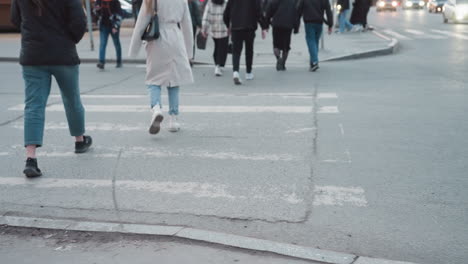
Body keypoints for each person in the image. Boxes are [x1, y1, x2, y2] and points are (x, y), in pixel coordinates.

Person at [10, 0, 93, 178]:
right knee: (72, 99)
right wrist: (68, 39)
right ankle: (79, 141)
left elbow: (15, 19)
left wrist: (32, 32)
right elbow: (79, 22)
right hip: (63, 54)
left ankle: (31, 158)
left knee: (34, 105)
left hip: (33, 55)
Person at [129, 0, 193, 134]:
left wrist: (134, 49)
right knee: (174, 80)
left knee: (154, 79)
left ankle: (156, 108)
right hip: (176, 37)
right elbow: (187, 24)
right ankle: (173, 120)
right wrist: (189, 51)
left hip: (157, 39)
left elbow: (141, 23)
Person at [224, 0, 268, 85]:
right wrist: (263, 27)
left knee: (236, 51)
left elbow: (226, 13)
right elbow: (258, 11)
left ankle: (236, 72)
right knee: (249, 50)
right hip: (250, 27)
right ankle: (248, 72)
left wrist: (228, 25)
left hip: (236, 27)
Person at [297, 0, 333, 72]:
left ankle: (314, 62)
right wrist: (330, 24)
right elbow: (328, 11)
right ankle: (312, 63)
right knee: (315, 42)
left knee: (311, 41)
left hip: (309, 22)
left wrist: (296, 24)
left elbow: (299, 10)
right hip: (319, 22)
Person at [265, 0, 300, 71]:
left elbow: (268, 13)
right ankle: (283, 63)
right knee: (286, 46)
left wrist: (266, 24)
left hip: (276, 25)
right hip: (288, 26)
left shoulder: (273, 1)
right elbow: (296, 15)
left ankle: (278, 58)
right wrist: (296, 28)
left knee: (276, 45)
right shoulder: (292, 2)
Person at [201, 0, 229, 76]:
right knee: (223, 47)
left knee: (217, 46)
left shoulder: (210, 2)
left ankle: (218, 64)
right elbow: (230, 14)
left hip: (214, 28)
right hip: (224, 28)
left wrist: (204, 28)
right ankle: (219, 65)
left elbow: (206, 16)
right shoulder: (226, 2)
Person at [95, 0, 123, 70]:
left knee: (116, 43)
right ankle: (101, 62)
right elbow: (96, 12)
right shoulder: (99, 1)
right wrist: (97, 9)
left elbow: (119, 14)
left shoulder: (115, 2)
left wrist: (116, 26)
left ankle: (119, 61)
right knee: (102, 44)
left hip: (113, 25)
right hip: (103, 25)